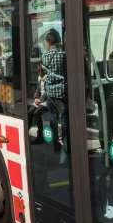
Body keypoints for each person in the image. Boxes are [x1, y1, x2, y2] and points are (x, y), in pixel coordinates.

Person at [34, 29, 68, 158]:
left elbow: (42, 75)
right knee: (64, 118)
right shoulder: (63, 55)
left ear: (48, 42)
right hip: (62, 91)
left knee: (53, 119)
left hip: (50, 92)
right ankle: (66, 143)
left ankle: (55, 145)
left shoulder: (44, 56)